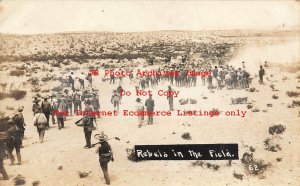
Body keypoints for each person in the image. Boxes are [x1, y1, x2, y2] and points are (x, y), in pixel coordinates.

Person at [0, 116, 10, 180]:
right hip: (2, 154)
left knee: (1, 166)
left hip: (1, 154)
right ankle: (6, 176)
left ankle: (6, 177)